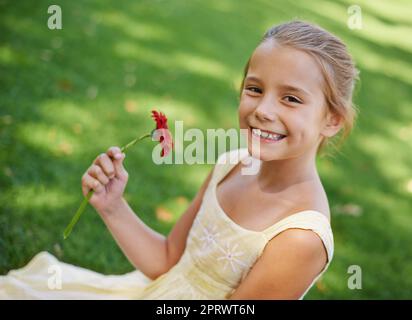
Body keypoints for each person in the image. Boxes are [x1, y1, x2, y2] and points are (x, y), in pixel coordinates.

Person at [0, 20, 358, 299]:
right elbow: (169, 259)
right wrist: (112, 206)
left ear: (332, 120)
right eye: (255, 89)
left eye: (291, 99)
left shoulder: (300, 237)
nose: (263, 110)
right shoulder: (231, 165)